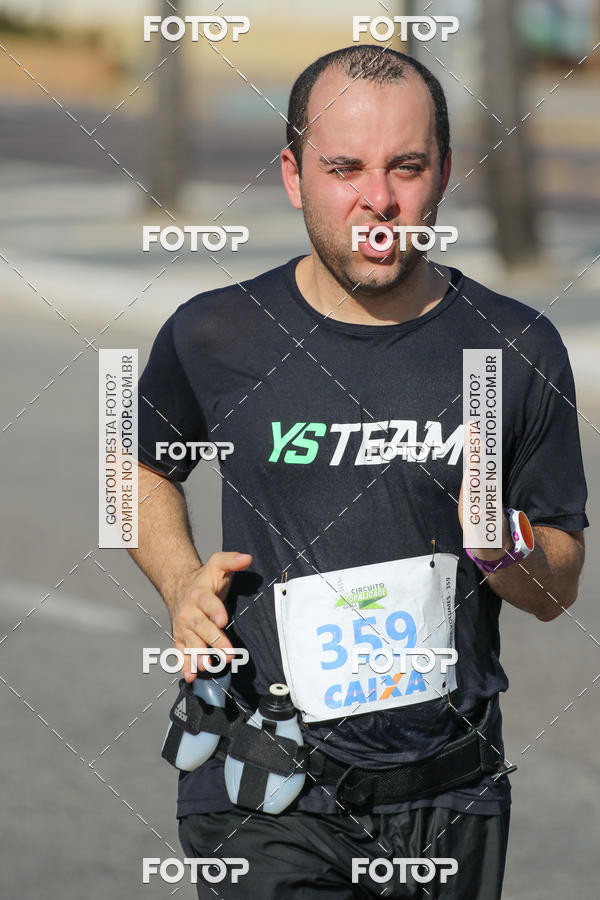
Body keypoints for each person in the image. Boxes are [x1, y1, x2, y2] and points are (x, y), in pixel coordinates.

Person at [129, 45, 588, 899]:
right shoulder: (216, 336)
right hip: (266, 788)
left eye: (406, 167)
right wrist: (179, 578)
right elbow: (133, 469)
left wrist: (505, 552)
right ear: (295, 174)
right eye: (344, 169)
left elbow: (560, 589)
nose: (378, 202)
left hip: (451, 795)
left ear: (444, 172)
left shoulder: (515, 350)